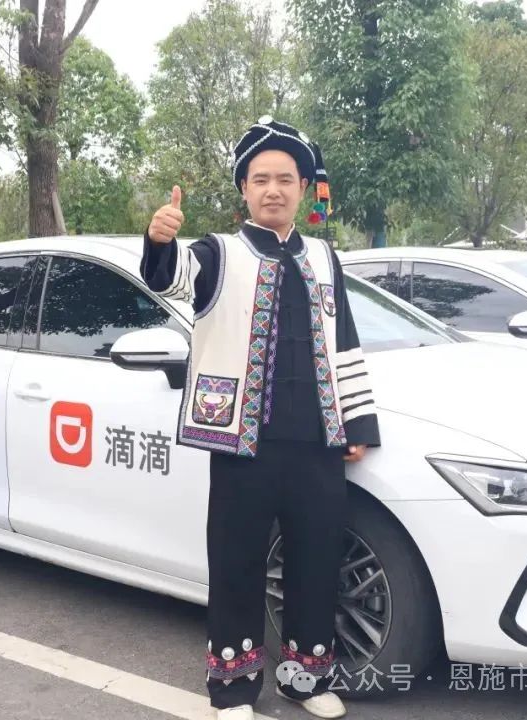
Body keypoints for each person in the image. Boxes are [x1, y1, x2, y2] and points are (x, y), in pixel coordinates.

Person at [140, 117, 380, 720]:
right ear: (244, 190)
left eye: (285, 179)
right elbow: (170, 278)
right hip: (242, 444)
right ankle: (233, 689)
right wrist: (160, 241)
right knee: (237, 565)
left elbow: (345, 340)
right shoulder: (218, 253)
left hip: (317, 443)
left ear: (303, 188)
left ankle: (305, 679)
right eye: (261, 180)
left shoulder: (324, 256)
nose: (273, 190)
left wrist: (357, 423)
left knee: (316, 563)